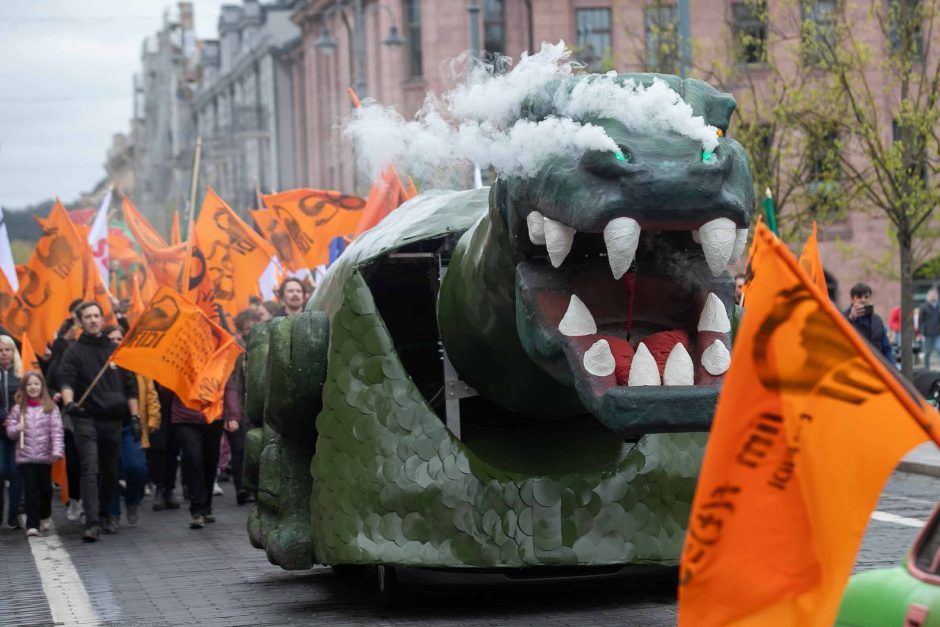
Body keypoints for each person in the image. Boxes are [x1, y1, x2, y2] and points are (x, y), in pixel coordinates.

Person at [58, 302, 139, 542]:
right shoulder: (74, 352)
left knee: (111, 470)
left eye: (96, 316)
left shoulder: (116, 351)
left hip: (112, 419)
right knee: (90, 468)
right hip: (85, 418)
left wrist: (135, 417)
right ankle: (92, 522)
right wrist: (70, 402)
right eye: (88, 317)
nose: (93, 320)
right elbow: (66, 381)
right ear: (81, 321)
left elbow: (131, 387)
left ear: (102, 320)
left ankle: (106, 515)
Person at [172, 375, 240, 529]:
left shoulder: (217, 355)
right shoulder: (181, 357)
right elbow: (167, 387)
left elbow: (228, 385)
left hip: (212, 416)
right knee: (194, 459)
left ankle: (206, 505)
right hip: (185, 417)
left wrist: (233, 415)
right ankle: (196, 510)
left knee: (210, 461)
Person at [4, 371, 64, 536]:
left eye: (36, 384)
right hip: (26, 456)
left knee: (45, 489)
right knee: (30, 490)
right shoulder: (18, 409)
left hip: (45, 457)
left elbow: (57, 431)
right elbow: (10, 431)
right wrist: (17, 429)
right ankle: (33, 524)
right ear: (24, 388)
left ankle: (45, 514)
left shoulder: (51, 408)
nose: (33, 387)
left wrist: (57, 450)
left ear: (42, 387)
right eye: (29, 384)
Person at [104, 325, 148, 527]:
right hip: (106, 424)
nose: (115, 342)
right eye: (111, 338)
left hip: (127, 425)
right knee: (110, 470)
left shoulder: (128, 364)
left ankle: (132, 501)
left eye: (119, 338)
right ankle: (112, 513)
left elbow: (133, 391)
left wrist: (137, 418)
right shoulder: (100, 364)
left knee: (136, 467)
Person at [0, 335, 22, 528]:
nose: (4, 353)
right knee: (1, 470)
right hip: (0, 429)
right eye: (0, 350)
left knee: (16, 473)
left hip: (17, 430)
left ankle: (14, 515)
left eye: (7, 349)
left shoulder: (21, 373)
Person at [844, 283, 894, 363]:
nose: (863, 300)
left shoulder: (877, 320)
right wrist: (851, 319)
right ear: (852, 299)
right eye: (859, 297)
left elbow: (886, 348)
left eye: (866, 297)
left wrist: (893, 369)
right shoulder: (842, 317)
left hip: (875, 367)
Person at [919, 288, 940, 370]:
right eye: (932, 295)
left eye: (935, 294)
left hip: (938, 333)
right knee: (927, 352)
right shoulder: (923, 307)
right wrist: (920, 332)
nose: (934, 296)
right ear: (928, 296)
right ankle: (926, 368)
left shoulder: (939, 306)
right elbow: (920, 320)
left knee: (939, 349)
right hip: (927, 333)